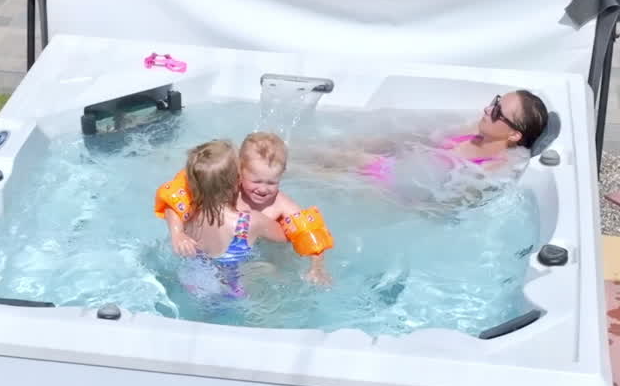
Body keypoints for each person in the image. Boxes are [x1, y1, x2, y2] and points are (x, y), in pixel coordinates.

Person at [155, 130, 334, 285]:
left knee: (271, 270)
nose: (263, 189)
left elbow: (311, 235)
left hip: (250, 262)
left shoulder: (281, 205)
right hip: (213, 257)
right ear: (239, 172)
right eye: (256, 181)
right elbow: (176, 199)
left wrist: (317, 268)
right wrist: (177, 233)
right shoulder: (227, 190)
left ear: (282, 175)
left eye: (271, 182)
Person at [295, 91, 549, 183]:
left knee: (310, 172)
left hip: (391, 182)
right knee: (337, 151)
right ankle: (286, 152)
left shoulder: (495, 167)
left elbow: (452, 199)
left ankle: (284, 162)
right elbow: (429, 137)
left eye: (497, 111)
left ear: (514, 134)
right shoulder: (475, 130)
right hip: (400, 164)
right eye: (495, 101)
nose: (487, 109)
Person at [171, 139, 285, 298]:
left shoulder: (187, 215)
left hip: (195, 285)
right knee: (269, 268)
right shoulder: (251, 221)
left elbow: (170, 208)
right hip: (234, 290)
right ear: (238, 181)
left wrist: (177, 233)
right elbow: (285, 237)